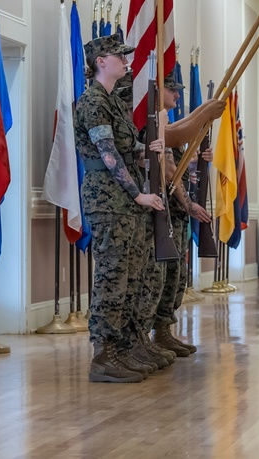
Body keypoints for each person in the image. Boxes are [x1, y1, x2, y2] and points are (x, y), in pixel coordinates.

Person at [75, 35, 166, 383]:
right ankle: (103, 354)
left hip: (123, 201)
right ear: (100, 61)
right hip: (107, 199)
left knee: (129, 277)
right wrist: (138, 194)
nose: (126, 62)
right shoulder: (94, 101)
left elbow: (125, 149)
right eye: (119, 56)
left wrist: (147, 147)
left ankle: (126, 347)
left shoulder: (113, 101)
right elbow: (108, 154)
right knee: (111, 278)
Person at [147, 76, 214, 359]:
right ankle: (156, 334)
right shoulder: (154, 122)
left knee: (177, 276)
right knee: (163, 276)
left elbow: (179, 165)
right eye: (172, 89)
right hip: (166, 210)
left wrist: (200, 159)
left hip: (176, 212)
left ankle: (165, 332)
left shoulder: (168, 125)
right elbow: (168, 170)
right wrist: (188, 204)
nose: (177, 94)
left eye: (178, 90)